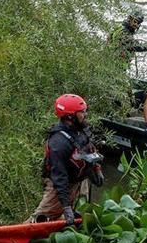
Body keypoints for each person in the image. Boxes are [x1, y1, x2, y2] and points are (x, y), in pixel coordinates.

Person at [29, 94, 105, 224]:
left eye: (85, 111)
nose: (85, 115)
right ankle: (14, 241)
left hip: (80, 180)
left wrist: (96, 169)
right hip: (60, 185)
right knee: (40, 219)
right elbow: (59, 176)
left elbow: (90, 148)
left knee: (78, 214)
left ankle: (63, 229)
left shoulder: (81, 129)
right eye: (82, 112)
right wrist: (65, 206)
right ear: (70, 116)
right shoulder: (59, 142)